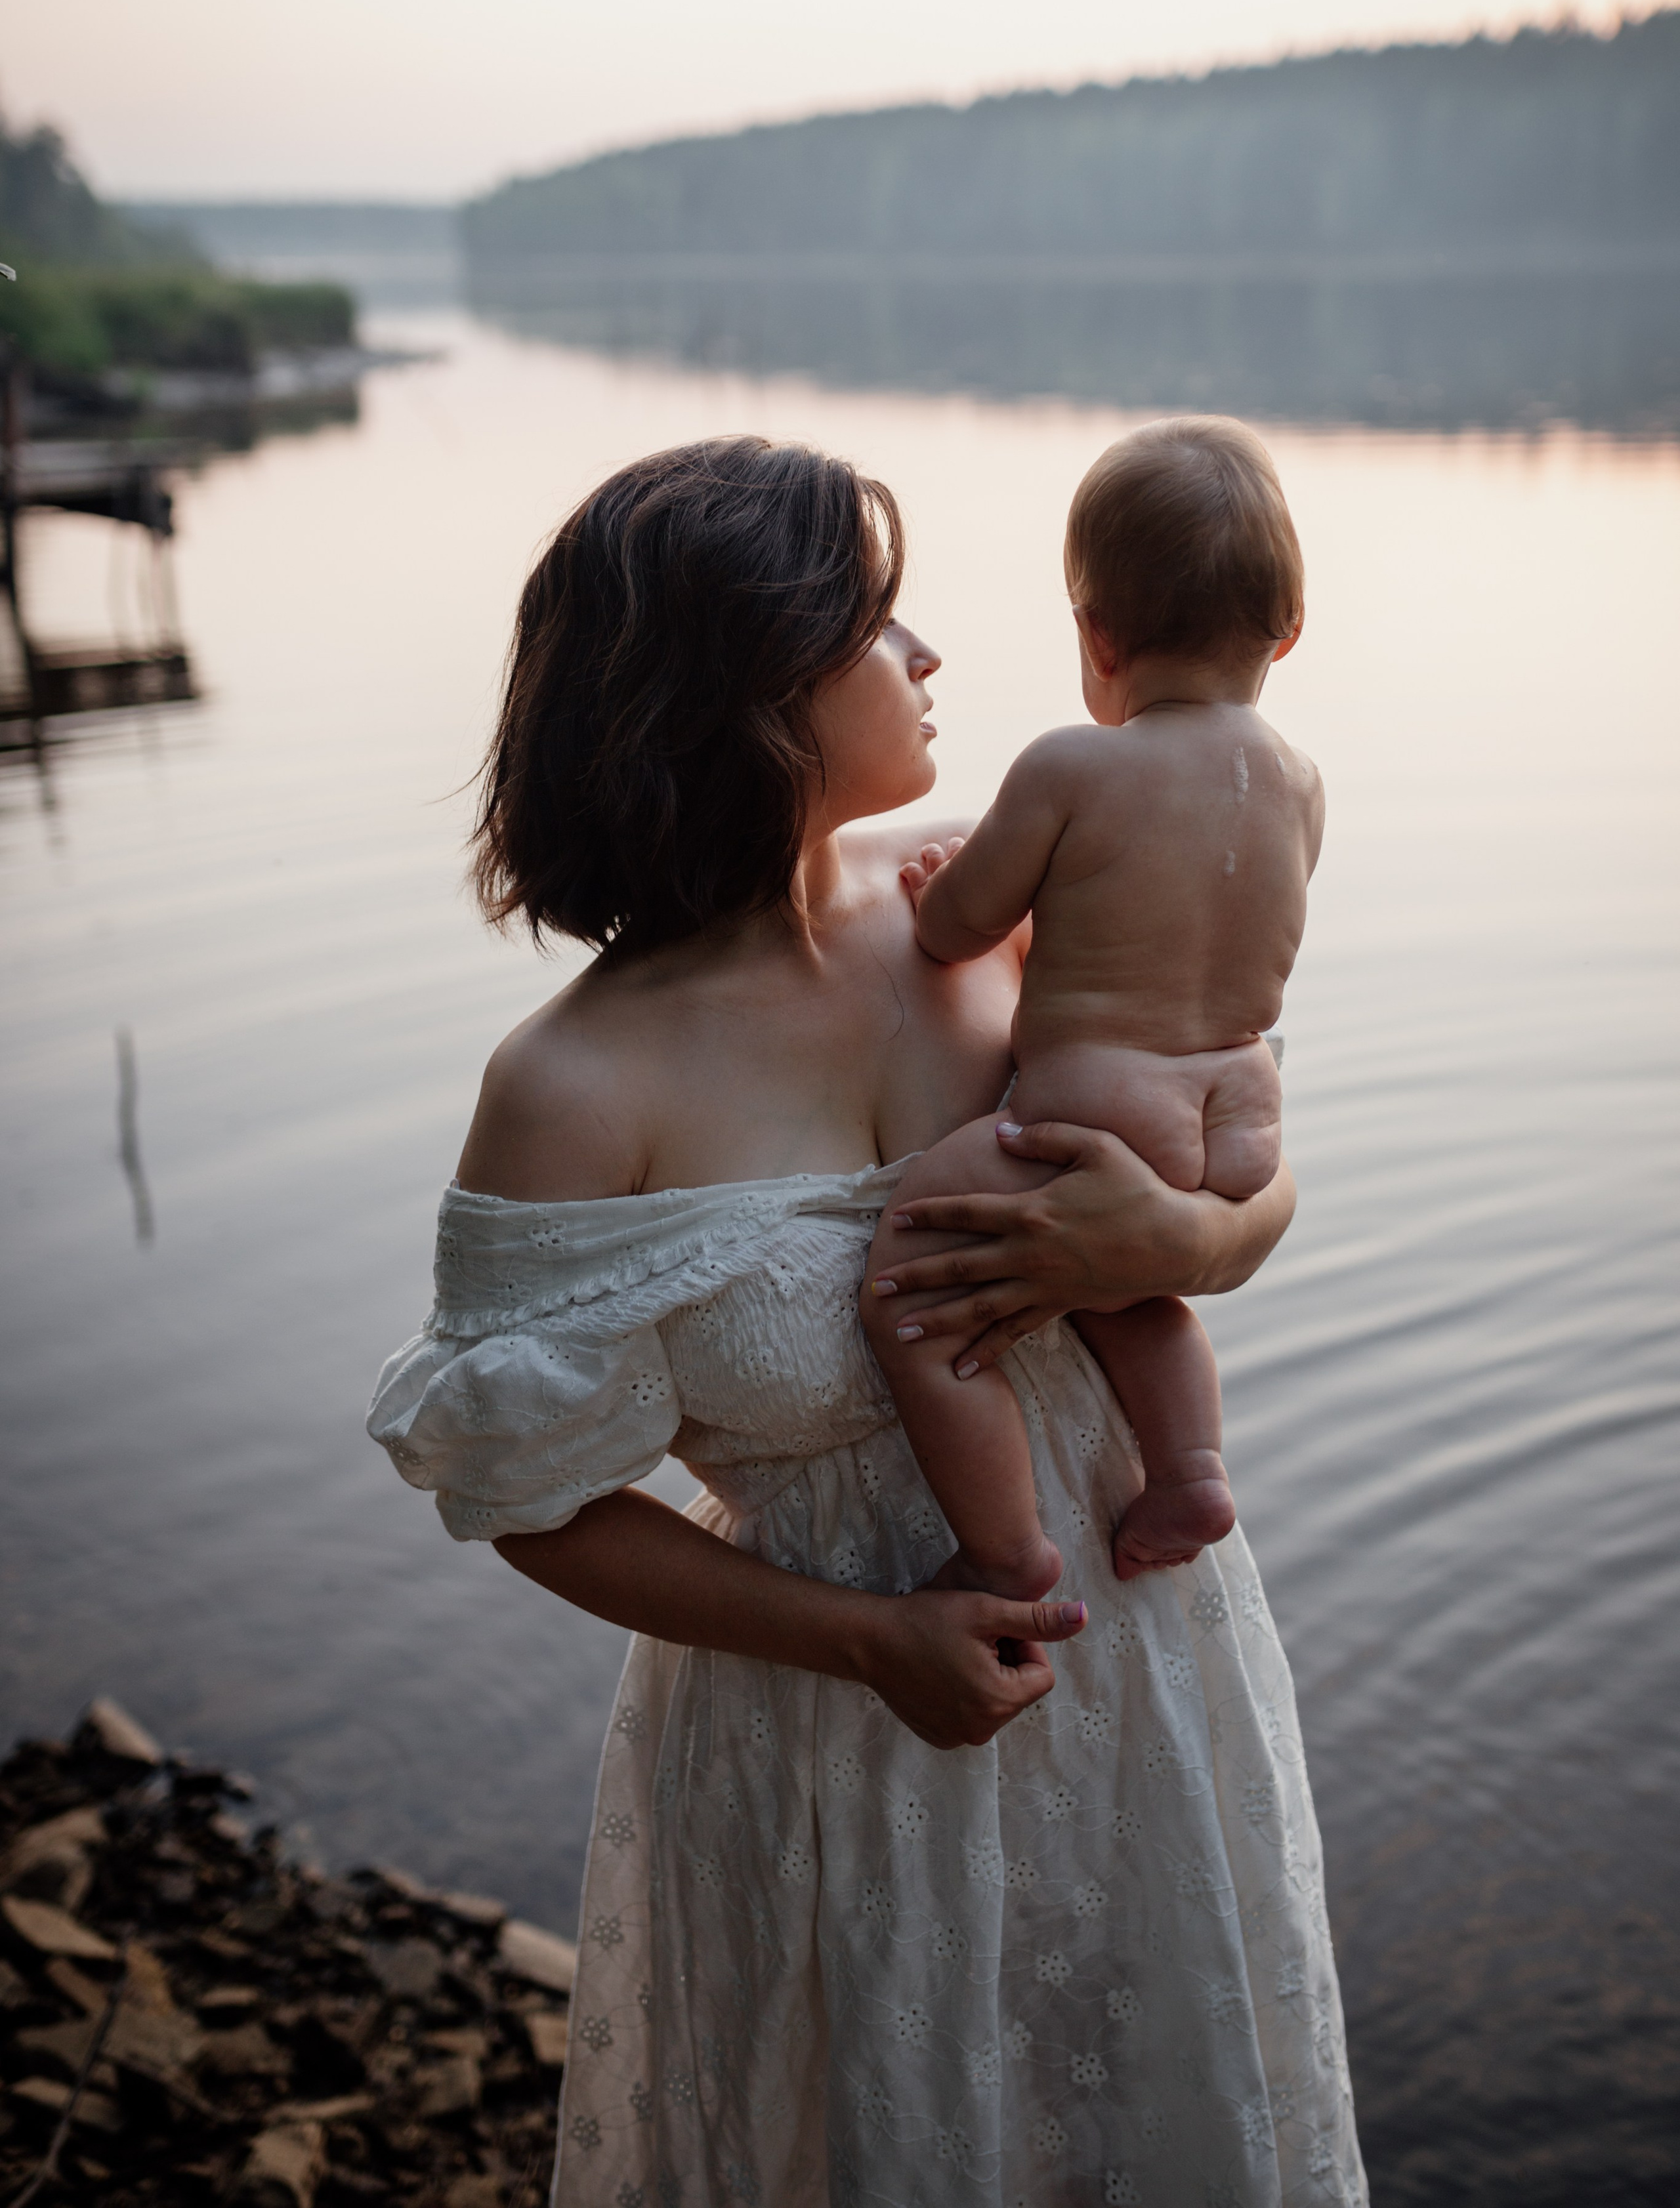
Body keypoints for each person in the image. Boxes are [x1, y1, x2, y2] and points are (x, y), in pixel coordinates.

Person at [368, 436, 1366, 2207]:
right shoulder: (573, 1087)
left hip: (1144, 1645)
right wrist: (866, 1639)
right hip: (834, 1722)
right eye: (872, 625)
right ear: (746, 691)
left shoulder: (980, 897)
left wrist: (1196, 1246)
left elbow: (1239, 1124)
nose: (928, 661)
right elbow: (528, 1502)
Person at [860, 417, 1324, 1596]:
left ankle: (1005, 1546)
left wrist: (937, 890)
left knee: (910, 1275)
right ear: (1290, 628)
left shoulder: (1074, 765)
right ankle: (1191, 1469)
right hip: (1233, 1113)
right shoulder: (1298, 783)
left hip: (1099, 1102)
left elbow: (960, 927)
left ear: (1096, 633)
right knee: (1137, 1295)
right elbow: (1194, 934)